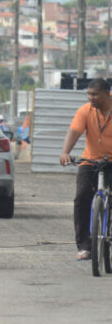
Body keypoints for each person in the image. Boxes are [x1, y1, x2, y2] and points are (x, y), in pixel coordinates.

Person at [60, 78, 112, 261]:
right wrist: (65, 152)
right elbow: (74, 132)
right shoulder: (85, 111)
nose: (91, 98)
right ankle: (84, 246)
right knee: (82, 197)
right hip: (90, 160)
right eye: (89, 94)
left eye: (95, 94)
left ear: (107, 93)